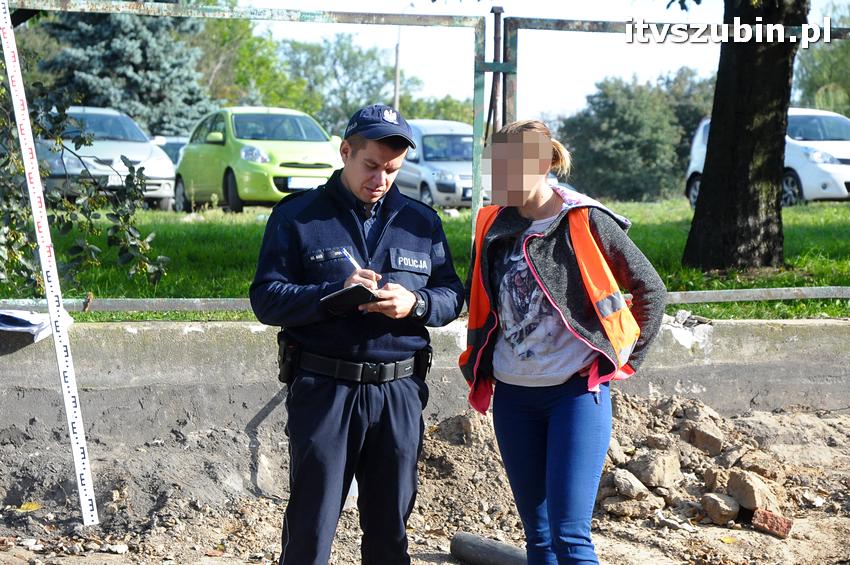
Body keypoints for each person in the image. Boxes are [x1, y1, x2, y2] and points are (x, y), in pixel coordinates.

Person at [250, 103, 464, 565]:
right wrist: (335, 292)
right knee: (311, 526)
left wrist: (417, 304)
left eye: (392, 169)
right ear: (346, 152)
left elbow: (451, 295)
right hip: (326, 387)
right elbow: (267, 299)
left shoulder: (421, 222)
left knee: (391, 529)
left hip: (399, 391)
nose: (381, 179)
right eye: (371, 166)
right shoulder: (298, 217)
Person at [459, 120, 667, 565]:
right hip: (513, 396)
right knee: (538, 538)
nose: (499, 179)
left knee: (569, 537)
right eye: (495, 168)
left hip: (575, 396)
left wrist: (621, 362)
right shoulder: (492, 223)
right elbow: (478, 297)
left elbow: (651, 289)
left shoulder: (584, 218)